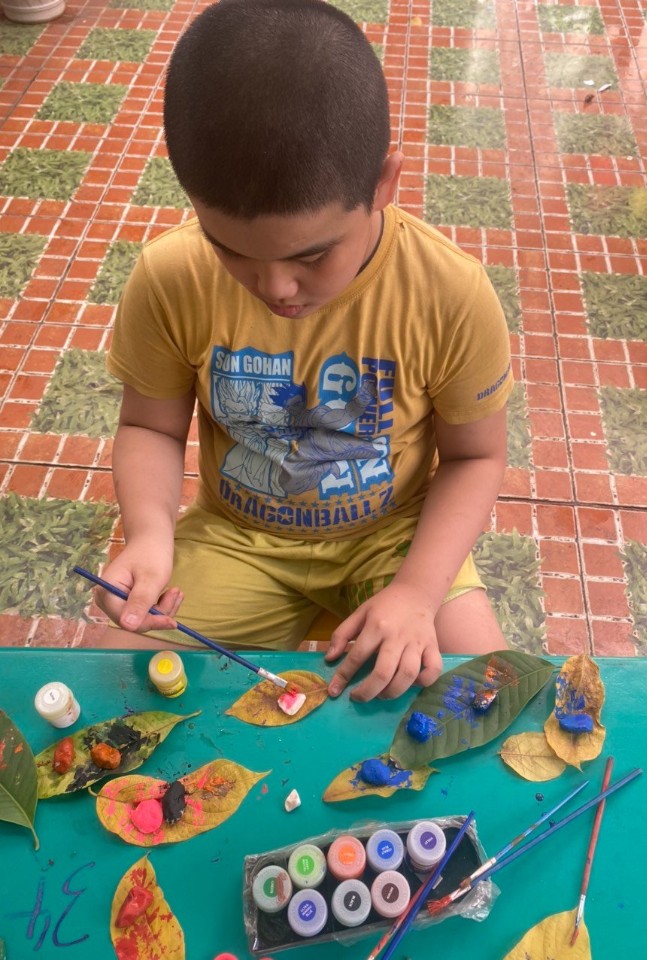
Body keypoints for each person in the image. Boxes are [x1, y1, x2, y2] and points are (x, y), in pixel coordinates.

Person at [95, 0, 514, 703]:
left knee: (483, 698)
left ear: (382, 184)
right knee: (118, 688)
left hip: (396, 542)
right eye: (229, 249)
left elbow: (476, 458)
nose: (275, 288)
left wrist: (417, 591)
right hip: (238, 541)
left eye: (312, 255)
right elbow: (149, 427)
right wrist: (147, 535)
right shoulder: (171, 276)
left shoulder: (449, 292)